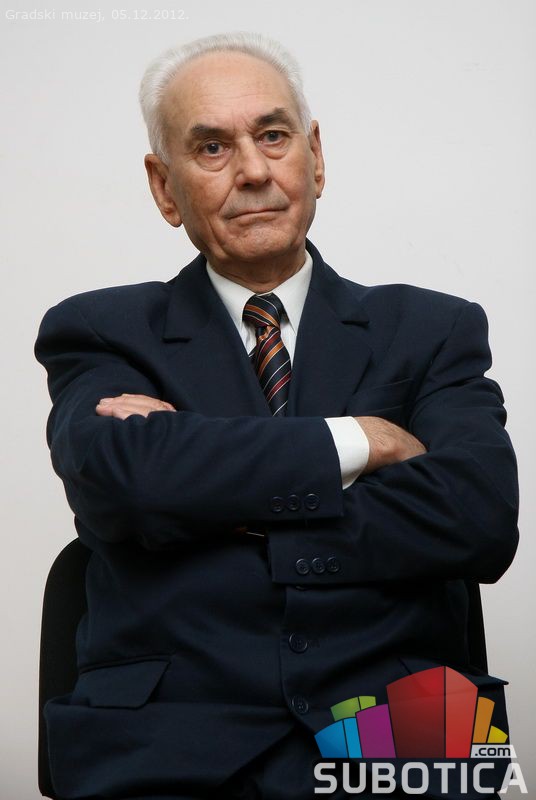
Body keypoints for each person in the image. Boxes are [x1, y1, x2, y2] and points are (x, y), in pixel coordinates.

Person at [34, 32, 519, 800]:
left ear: (314, 156)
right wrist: (360, 443)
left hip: (411, 731)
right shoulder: (100, 329)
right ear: (164, 187)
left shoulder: (434, 330)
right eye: (212, 148)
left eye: (272, 136)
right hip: (170, 742)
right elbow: (123, 481)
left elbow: (480, 515)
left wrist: (211, 494)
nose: (254, 171)